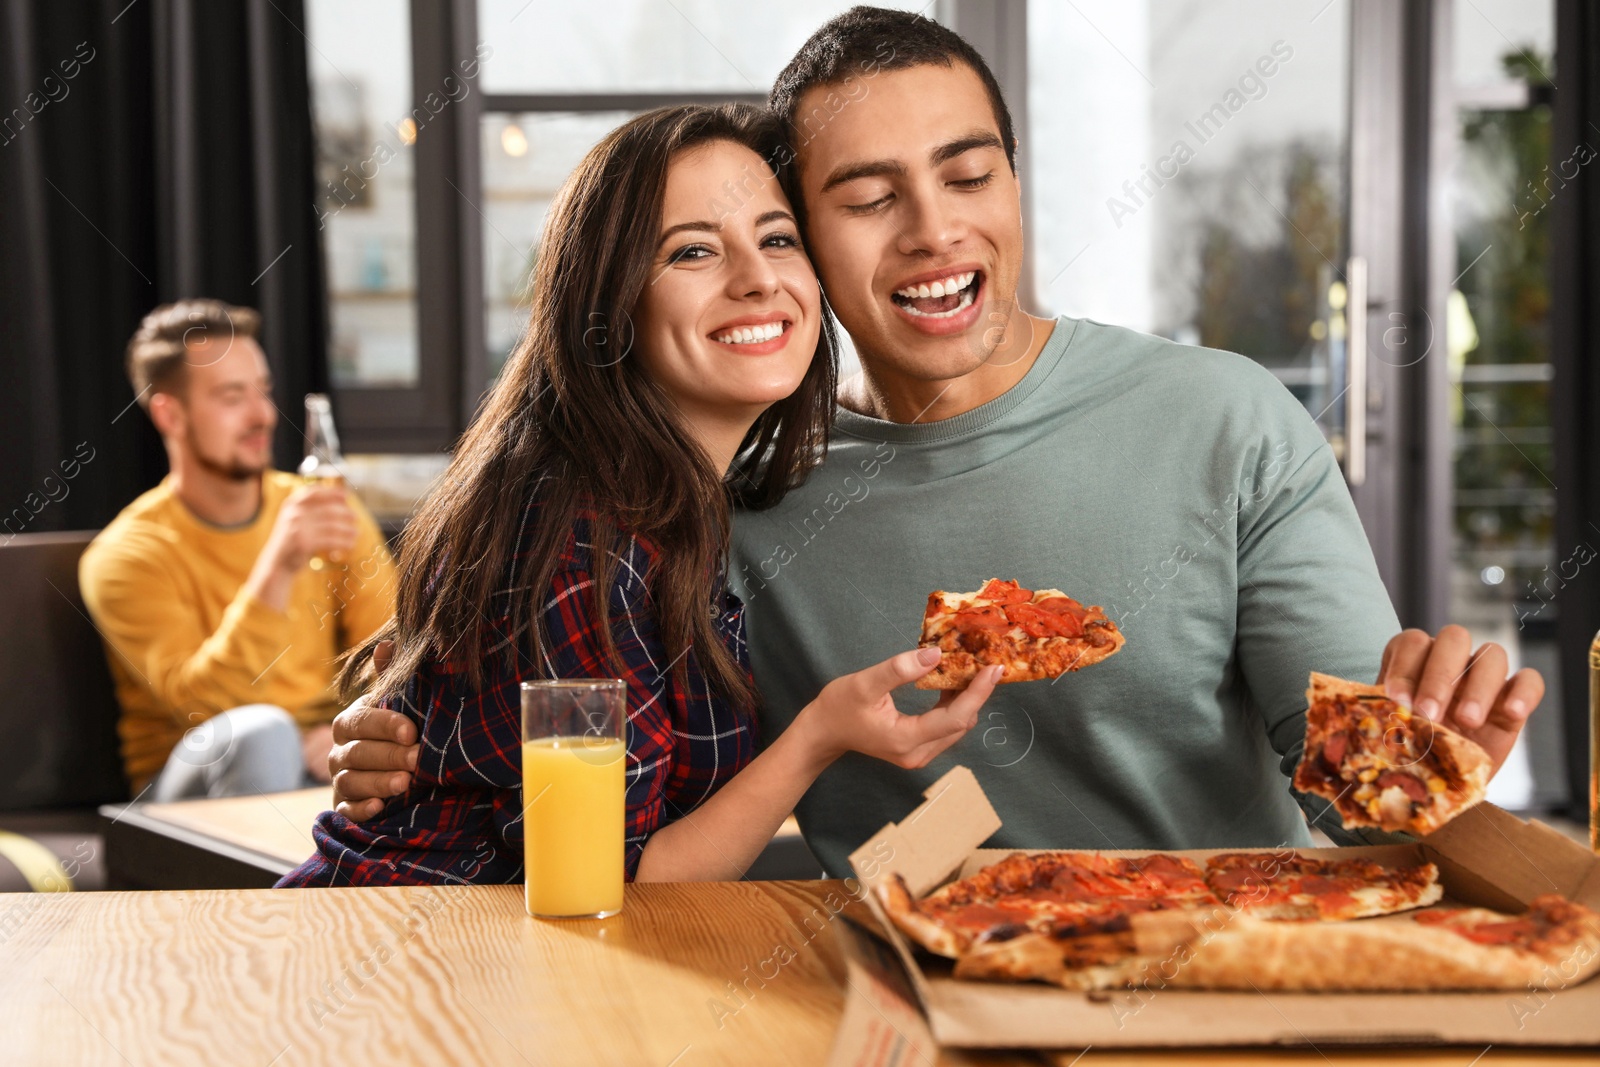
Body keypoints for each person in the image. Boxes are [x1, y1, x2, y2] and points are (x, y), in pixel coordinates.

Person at [328, 9, 1544, 876]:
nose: (932, 231)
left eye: (968, 175)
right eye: (865, 200)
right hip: (897, 1006)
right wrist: (397, 737)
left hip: (1208, 981)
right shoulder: (732, 493)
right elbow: (532, 691)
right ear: (801, 237)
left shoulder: (1229, 421)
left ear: (1014, 185)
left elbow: (1361, 808)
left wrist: (1437, 763)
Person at [277, 103, 998, 888]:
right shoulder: (579, 534)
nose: (757, 278)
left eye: (777, 238)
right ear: (610, 302)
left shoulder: (703, 499)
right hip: (420, 967)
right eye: (693, 251)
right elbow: (609, 881)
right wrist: (819, 736)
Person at [79, 300, 396, 800]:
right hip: (185, 786)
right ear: (169, 412)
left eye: (263, 391)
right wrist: (280, 563)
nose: (263, 415)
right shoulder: (127, 554)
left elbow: (392, 655)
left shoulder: (324, 508)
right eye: (232, 396)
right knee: (262, 735)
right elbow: (201, 706)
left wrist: (345, 729)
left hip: (320, 759)